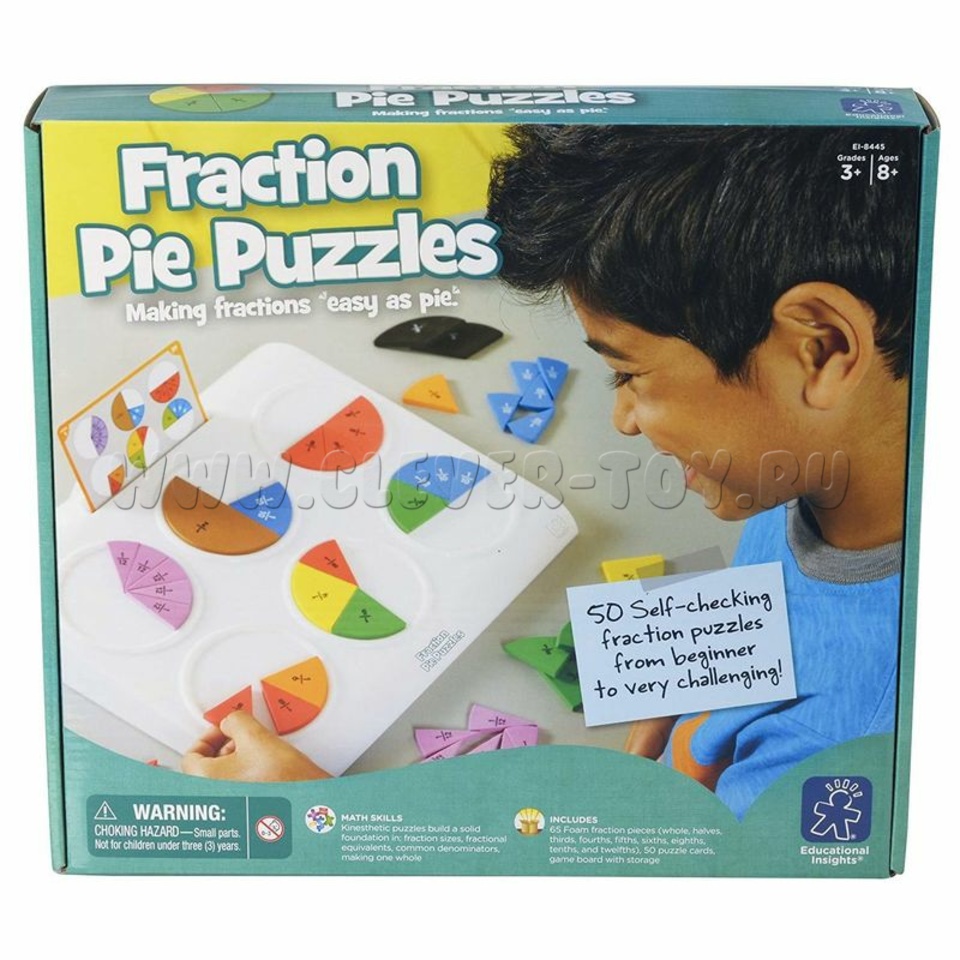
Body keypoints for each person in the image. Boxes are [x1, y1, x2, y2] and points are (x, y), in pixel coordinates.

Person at [486, 124, 918, 818]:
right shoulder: (807, 472)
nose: (624, 420)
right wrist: (674, 689)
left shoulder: (838, 752)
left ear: (821, 349)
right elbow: (782, 598)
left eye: (628, 373)